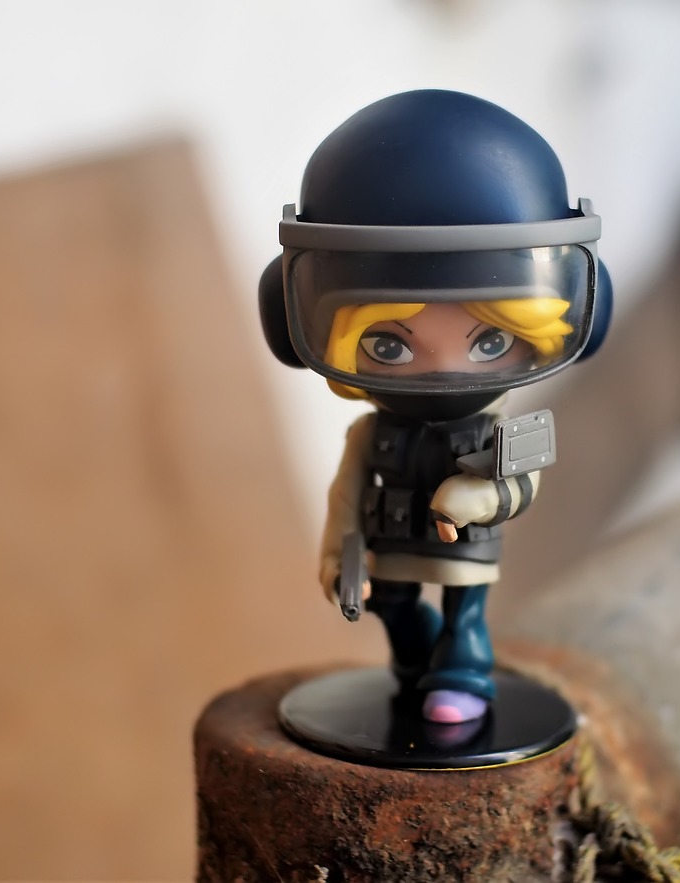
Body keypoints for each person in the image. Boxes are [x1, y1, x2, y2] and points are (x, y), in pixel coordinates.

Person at [259, 89, 611, 723]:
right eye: (388, 345)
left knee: (463, 613)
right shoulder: (370, 435)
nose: (442, 370)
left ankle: (463, 670)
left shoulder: (496, 433)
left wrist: (476, 500)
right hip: (389, 540)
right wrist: (338, 550)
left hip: (463, 545)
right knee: (391, 605)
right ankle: (417, 662)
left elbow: (522, 484)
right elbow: (345, 494)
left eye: (491, 341)